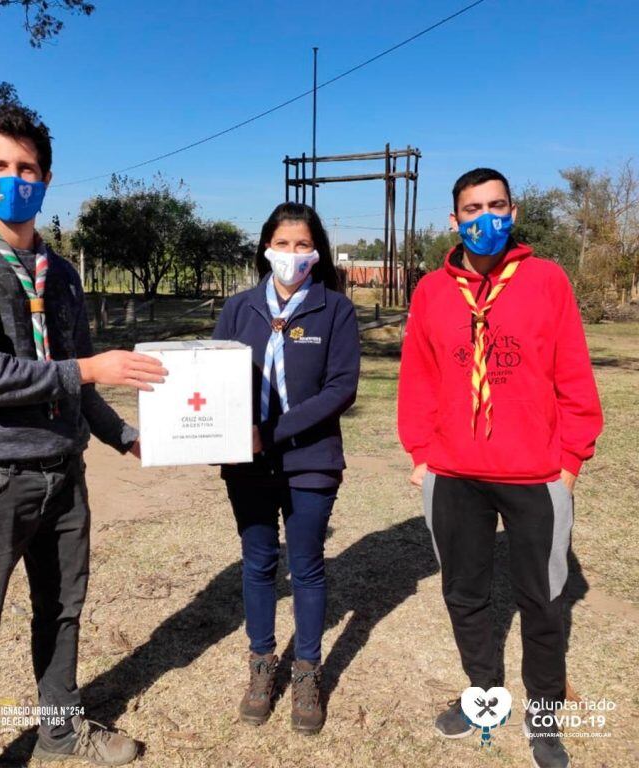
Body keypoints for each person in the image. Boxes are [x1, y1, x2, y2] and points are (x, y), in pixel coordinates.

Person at [0, 106, 167, 768]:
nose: (13, 179)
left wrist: (123, 436)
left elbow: (79, 388)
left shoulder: (63, 271)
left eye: (27, 168)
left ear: (46, 179)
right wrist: (92, 367)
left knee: (61, 615)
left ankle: (59, 730)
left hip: (63, 476)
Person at [397, 168, 603, 768]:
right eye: (472, 208)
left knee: (541, 602)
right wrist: (421, 454)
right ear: (453, 219)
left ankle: (543, 719)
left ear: (513, 212)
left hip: (536, 474)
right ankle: (484, 697)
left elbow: (572, 371)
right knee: (464, 595)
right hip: (455, 474)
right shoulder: (432, 290)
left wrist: (570, 461)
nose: (485, 218)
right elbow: (420, 377)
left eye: (497, 206)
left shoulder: (547, 280)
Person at [211, 202, 360, 734]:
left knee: (307, 564)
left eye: (302, 245)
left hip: (310, 460)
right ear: (265, 249)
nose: (291, 255)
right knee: (257, 563)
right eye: (282, 244)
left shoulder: (335, 311)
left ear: (316, 251)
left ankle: (306, 671)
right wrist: (211, 433)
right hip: (247, 462)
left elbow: (341, 389)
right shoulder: (239, 309)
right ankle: (260, 665)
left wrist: (270, 432)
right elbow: (212, 377)